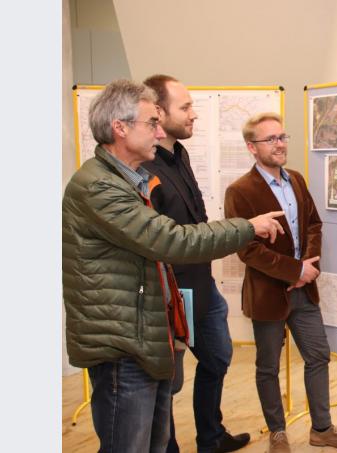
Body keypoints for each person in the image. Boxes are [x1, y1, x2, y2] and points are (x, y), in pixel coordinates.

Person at [62, 79, 285, 453]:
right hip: (123, 343)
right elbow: (172, 240)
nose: (159, 131)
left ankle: (210, 436)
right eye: (151, 123)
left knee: (154, 441)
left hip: (143, 331)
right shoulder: (99, 187)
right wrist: (248, 226)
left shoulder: (130, 179)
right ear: (120, 127)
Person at [224, 113, 337, 452]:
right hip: (268, 294)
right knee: (268, 367)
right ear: (252, 147)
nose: (280, 144)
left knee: (318, 356)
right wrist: (293, 271)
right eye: (270, 139)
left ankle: (322, 429)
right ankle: (278, 433)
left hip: (304, 289)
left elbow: (314, 224)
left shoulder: (297, 180)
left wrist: (308, 266)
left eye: (282, 137)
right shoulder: (239, 191)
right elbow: (246, 249)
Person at [142, 74, 250, 453]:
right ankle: (167, 447)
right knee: (167, 383)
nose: (194, 114)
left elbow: (195, 215)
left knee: (218, 358)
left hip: (202, 285)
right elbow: (157, 241)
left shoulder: (180, 154)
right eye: (185, 107)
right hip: (169, 294)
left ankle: (211, 437)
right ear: (158, 112)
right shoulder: (143, 167)